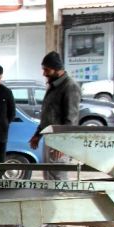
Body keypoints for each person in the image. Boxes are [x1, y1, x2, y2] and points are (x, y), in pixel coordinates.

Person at [29, 51, 81, 181]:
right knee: (49, 177)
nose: (44, 73)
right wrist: (37, 135)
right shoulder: (54, 85)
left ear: (57, 69)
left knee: (58, 178)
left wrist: (62, 144)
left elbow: (71, 120)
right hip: (50, 139)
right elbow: (48, 115)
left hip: (59, 143)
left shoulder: (70, 86)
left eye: (47, 70)